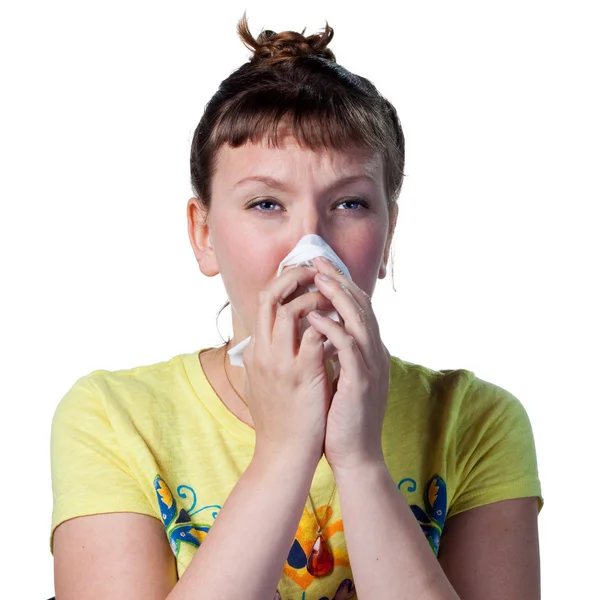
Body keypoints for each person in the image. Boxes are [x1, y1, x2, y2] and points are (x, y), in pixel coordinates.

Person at [50, 13, 543, 600]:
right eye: (265, 204)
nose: (309, 243)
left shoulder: (476, 421)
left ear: (387, 238)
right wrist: (284, 453)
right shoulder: (112, 417)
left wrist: (360, 461)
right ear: (203, 233)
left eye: (351, 204)